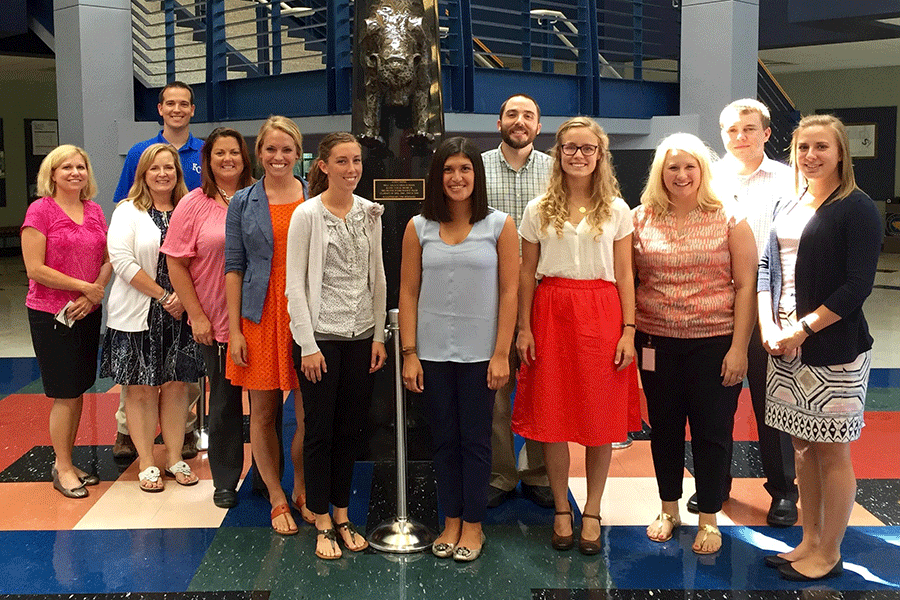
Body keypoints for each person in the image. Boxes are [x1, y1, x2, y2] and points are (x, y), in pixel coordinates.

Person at [759, 115, 881, 581]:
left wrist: (802, 329)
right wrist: (770, 325)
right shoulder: (787, 203)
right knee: (802, 446)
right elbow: (767, 267)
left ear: (840, 153)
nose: (811, 155)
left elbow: (856, 287)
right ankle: (808, 541)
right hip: (785, 346)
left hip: (834, 347)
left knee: (831, 450)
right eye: (804, 146)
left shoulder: (857, 207)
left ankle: (829, 552)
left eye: (821, 147)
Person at [511, 117, 640, 554]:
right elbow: (526, 272)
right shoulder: (538, 207)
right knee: (552, 417)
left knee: (599, 418)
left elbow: (625, 273)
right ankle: (562, 510)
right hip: (552, 311)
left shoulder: (618, 209)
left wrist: (628, 329)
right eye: (570, 147)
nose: (579, 155)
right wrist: (524, 326)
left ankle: (593, 510)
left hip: (602, 314)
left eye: (588, 148)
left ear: (600, 154)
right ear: (558, 152)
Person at [633, 133, 757, 555]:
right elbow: (629, 282)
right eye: (673, 167)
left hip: (714, 343)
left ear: (703, 171)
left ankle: (708, 517)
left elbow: (745, 286)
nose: (682, 175)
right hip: (656, 342)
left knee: (712, 432)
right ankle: (668, 509)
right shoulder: (640, 219)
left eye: (690, 167)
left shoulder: (728, 216)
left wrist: (739, 347)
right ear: (660, 173)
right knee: (663, 429)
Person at [399, 137, 518, 562]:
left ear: (477, 176)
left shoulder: (500, 225)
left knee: (476, 441)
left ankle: (473, 526)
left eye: (465, 169)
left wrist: (502, 352)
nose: (457, 177)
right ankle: (450, 520)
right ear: (437, 177)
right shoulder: (419, 227)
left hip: (481, 354)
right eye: (449, 170)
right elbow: (408, 292)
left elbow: (510, 292)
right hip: (431, 353)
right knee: (443, 440)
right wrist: (409, 352)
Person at [285, 132, 387, 560]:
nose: (352, 169)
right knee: (320, 432)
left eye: (357, 161)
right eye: (342, 161)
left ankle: (342, 514)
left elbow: (378, 276)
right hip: (320, 341)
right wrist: (307, 344)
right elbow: (294, 284)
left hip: (361, 336)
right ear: (323, 166)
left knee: (350, 430)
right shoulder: (307, 215)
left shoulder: (370, 212)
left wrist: (379, 334)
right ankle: (321, 516)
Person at [704, 99, 798, 526]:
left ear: (765, 132)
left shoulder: (788, 178)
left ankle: (782, 491)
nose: (739, 137)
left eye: (748, 129)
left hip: (769, 307)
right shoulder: (706, 179)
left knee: (771, 404)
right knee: (713, 405)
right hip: (714, 306)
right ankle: (714, 484)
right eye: (731, 130)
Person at [100, 143, 205, 492]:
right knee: (142, 389)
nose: (163, 174)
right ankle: (147, 461)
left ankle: (174, 456)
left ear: (178, 173)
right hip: (139, 313)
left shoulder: (190, 209)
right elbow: (123, 262)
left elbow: (202, 259)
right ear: (143, 174)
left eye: (170, 168)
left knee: (177, 387)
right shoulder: (127, 211)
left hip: (183, 315)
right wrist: (164, 297)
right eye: (155, 168)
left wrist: (186, 303)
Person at [162, 128, 255, 508]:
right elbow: (176, 262)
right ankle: (226, 480)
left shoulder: (260, 198)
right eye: (220, 153)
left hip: (261, 319)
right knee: (224, 403)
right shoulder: (193, 204)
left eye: (235, 152)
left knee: (265, 406)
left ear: (245, 157)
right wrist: (197, 316)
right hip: (215, 322)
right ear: (208, 159)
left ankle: (267, 477)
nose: (228, 159)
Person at [225, 115, 310, 535]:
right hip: (259, 317)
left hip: (307, 317)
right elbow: (234, 267)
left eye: (287, 149)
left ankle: (302, 488)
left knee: (308, 411)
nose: (279, 156)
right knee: (262, 413)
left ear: (298, 154)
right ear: (258, 154)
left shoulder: (316, 196)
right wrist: (235, 330)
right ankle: (276, 496)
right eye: (271, 149)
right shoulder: (242, 202)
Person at [112, 81, 204, 461]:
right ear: (160, 108)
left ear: (192, 109)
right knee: (139, 379)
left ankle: (179, 436)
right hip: (145, 297)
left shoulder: (204, 151)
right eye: (171, 103)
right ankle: (127, 432)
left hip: (186, 295)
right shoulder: (139, 151)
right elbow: (124, 207)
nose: (178, 109)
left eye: (184, 103)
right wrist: (164, 295)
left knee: (181, 379)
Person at [21, 145, 111, 498]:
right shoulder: (40, 211)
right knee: (64, 393)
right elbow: (35, 269)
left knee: (78, 392)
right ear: (52, 174)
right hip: (51, 313)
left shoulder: (95, 211)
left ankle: (67, 461)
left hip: (86, 311)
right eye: (66, 167)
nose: (75, 172)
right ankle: (61, 467)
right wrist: (83, 288)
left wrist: (94, 293)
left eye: (81, 166)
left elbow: (109, 257)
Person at [481, 93, 554, 509]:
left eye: (529, 114)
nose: (520, 121)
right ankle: (502, 473)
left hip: (544, 293)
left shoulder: (554, 170)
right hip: (491, 292)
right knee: (496, 387)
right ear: (500, 123)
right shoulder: (479, 168)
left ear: (538, 126)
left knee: (542, 384)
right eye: (512, 114)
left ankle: (540, 471)